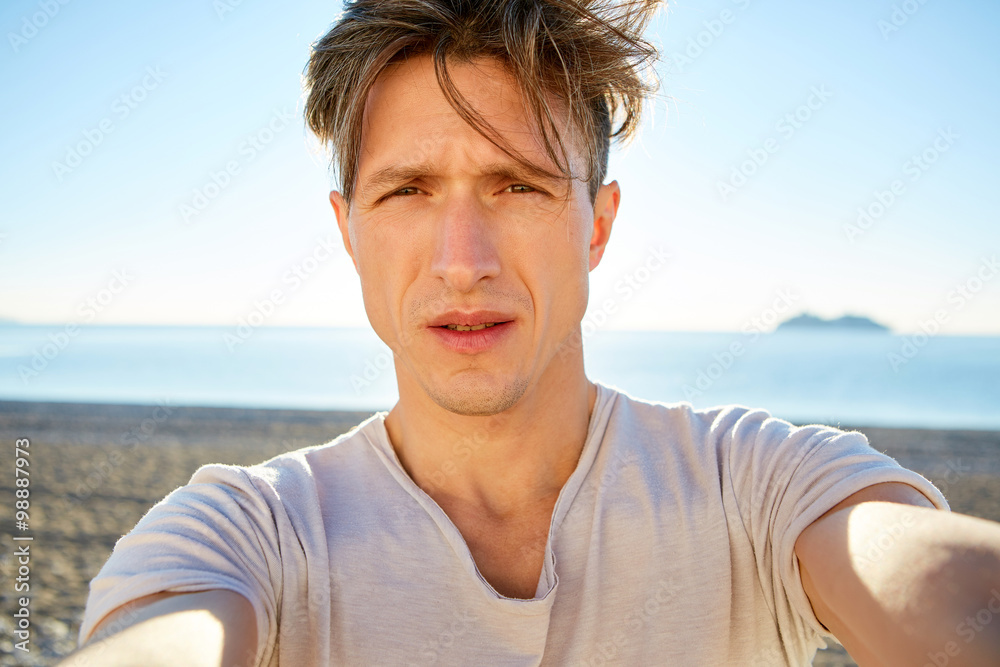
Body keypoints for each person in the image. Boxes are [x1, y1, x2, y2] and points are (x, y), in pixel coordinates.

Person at [65, 1, 1000, 665]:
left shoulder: (752, 482)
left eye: (519, 185)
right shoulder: (248, 531)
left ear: (596, 223)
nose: (462, 259)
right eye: (408, 190)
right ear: (349, 230)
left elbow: (921, 577)